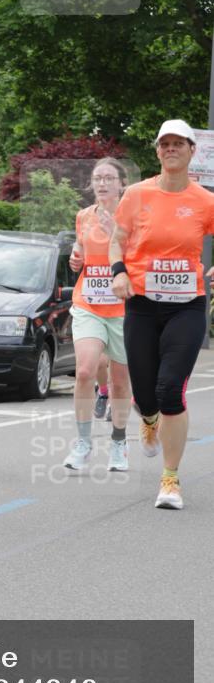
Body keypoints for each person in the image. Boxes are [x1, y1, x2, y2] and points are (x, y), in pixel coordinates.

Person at [110, 119, 214, 510]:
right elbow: (116, 243)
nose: (171, 149)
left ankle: (170, 480)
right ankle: (149, 419)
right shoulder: (136, 195)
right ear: (157, 151)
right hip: (141, 304)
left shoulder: (205, 200)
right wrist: (119, 273)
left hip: (186, 306)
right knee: (145, 393)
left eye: (178, 144)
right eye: (164, 144)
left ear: (191, 151)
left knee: (171, 388)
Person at [64, 157, 132, 472]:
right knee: (84, 371)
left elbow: (141, 257)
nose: (102, 183)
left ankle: (118, 442)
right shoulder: (83, 216)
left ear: (121, 184)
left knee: (119, 382)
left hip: (122, 308)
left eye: (108, 178)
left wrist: (117, 232)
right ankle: (83, 443)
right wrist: (77, 260)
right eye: (97, 178)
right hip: (88, 301)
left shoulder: (133, 216)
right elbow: (81, 252)